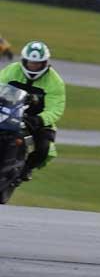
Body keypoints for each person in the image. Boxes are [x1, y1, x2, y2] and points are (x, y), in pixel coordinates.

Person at [0, 40, 66, 180]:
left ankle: (26, 169)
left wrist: (40, 119)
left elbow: (56, 108)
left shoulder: (55, 82)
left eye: (38, 63)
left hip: (36, 120)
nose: (34, 66)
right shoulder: (12, 70)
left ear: (45, 63)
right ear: (24, 61)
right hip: (8, 112)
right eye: (31, 62)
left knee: (43, 148)